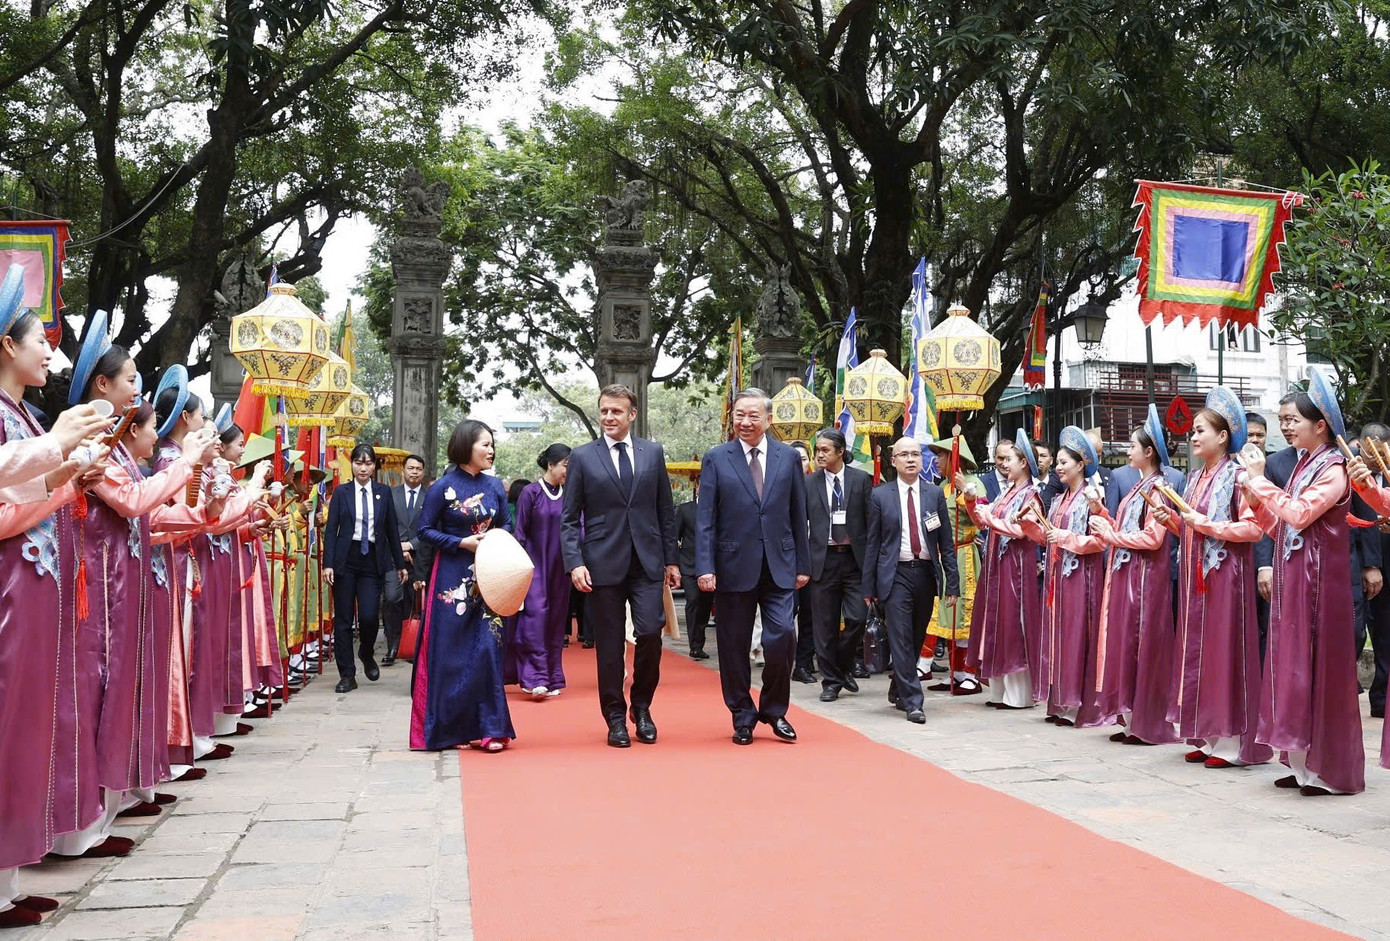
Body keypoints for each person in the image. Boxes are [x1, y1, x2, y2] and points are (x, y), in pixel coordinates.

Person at [0, 270, 115, 925]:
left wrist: (66, 475)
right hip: (12, 592)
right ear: (5, 345)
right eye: (38, 340)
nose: (49, 350)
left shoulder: (19, 414)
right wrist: (59, 456)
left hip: (33, 591)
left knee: (26, 731)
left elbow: (23, 494)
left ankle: (8, 882)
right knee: (10, 729)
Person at [1243, 370, 1364, 795]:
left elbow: (1300, 514)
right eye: (1282, 420)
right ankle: (1300, 763)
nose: (1286, 427)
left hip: (1320, 585)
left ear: (1321, 425)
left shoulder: (1333, 469)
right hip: (1296, 581)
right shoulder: (1303, 466)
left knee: (1317, 666)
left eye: (1293, 419)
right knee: (1292, 666)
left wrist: (1260, 482)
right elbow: (1283, 527)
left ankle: (1327, 770)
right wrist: (1257, 501)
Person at [1150, 388, 1271, 769]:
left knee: (1224, 654)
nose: (1194, 436)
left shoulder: (1238, 477)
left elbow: (1253, 530)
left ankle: (1233, 742)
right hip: (1195, 582)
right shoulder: (1194, 477)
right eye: (1193, 431)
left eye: (1201, 430)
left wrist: (1203, 524)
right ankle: (1208, 734)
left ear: (1222, 436)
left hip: (1226, 579)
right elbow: (1193, 530)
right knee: (1198, 654)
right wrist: (1172, 520)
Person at [561, 385, 679, 748]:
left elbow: (665, 510)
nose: (609, 417)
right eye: (604, 411)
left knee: (650, 633)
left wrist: (672, 559)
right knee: (610, 647)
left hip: (647, 561)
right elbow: (569, 519)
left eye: (616, 411)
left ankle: (641, 707)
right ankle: (614, 718)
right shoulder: (583, 457)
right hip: (602, 562)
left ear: (632, 414)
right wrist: (575, 563)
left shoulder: (652, 452)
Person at [696, 388, 810, 745]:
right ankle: (742, 715)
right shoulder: (717, 458)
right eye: (739, 415)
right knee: (733, 646)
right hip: (732, 566)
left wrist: (803, 564)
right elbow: (705, 518)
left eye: (753, 416)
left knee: (782, 637)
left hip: (780, 565)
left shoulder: (787, 457)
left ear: (769, 419)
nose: (745, 422)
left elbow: (798, 513)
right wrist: (705, 566)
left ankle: (774, 710)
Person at [410, 420, 516, 752]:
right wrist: (460, 542)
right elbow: (424, 530)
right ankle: (451, 729)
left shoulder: (495, 486)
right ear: (466, 446)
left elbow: (507, 523)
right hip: (452, 577)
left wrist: (494, 538)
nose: (491, 450)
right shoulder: (442, 487)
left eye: (492, 444)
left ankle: (490, 728)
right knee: (451, 653)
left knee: (487, 649)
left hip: (489, 576)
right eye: (485, 444)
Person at [1090, 407, 1179, 746]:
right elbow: (1127, 528)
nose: (1128, 451)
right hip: (1129, 574)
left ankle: (1148, 723)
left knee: (1144, 644)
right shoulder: (1139, 486)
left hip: (1146, 578)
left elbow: (1153, 538)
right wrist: (1102, 515)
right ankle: (1131, 719)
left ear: (1149, 452)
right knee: (1127, 643)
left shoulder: (1157, 489)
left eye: (1132, 446)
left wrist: (1110, 535)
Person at [865, 438, 959, 723]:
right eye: (904, 454)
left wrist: (952, 582)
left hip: (925, 573)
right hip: (895, 574)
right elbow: (873, 543)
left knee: (916, 636)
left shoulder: (934, 494)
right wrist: (869, 587)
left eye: (915, 454)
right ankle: (914, 701)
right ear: (893, 461)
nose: (910, 459)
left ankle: (898, 687)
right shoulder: (880, 496)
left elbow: (946, 542)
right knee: (901, 636)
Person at [1020, 426, 1107, 727]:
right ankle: (1059, 703)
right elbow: (1048, 538)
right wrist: (1029, 525)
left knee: (1077, 637)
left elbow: (1101, 541)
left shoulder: (1092, 498)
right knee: (1058, 637)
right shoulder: (1058, 500)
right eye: (1056, 462)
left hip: (1082, 578)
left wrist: (1066, 537)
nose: (1057, 467)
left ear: (1081, 465)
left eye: (1063, 462)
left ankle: (1079, 706)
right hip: (1057, 579)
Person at [962, 430, 1042, 709]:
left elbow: (1022, 531)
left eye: (1010, 460)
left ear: (1024, 463)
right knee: (994, 622)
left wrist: (989, 519)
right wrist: (972, 503)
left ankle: (1019, 695)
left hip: (1015, 567)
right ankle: (999, 690)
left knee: (1013, 624)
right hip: (997, 564)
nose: (1005, 464)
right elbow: (983, 521)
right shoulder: (1008, 491)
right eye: (1004, 459)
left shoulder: (1031, 495)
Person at [323, 444, 409, 693]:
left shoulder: (383, 492)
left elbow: (391, 530)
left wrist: (399, 564)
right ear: (352, 464)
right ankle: (347, 675)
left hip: (372, 559)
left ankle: (366, 652)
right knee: (343, 620)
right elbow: (332, 530)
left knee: (370, 616)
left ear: (374, 466)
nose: (363, 468)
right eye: (358, 463)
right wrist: (328, 563)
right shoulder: (342, 492)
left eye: (368, 463)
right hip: (345, 560)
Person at [806, 428, 871, 702]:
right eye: (817, 450)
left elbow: (870, 521)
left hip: (854, 560)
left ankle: (842, 668)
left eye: (825, 450)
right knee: (824, 627)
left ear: (840, 452)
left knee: (857, 618)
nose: (819, 455)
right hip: (823, 560)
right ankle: (831, 682)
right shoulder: (808, 483)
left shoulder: (861, 480)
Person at [512, 443, 572, 699]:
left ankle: (552, 676)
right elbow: (520, 532)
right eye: (566, 465)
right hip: (534, 565)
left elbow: (578, 528)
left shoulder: (570, 494)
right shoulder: (531, 492)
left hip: (561, 568)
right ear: (551, 465)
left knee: (556, 620)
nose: (569, 471)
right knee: (536, 617)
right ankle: (534, 677)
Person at [926, 434, 982, 695]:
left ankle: (971, 674)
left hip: (964, 555)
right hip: (944, 555)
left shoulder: (973, 484)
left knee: (964, 614)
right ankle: (956, 672)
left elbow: (979, 518)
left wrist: (965, 494)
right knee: (948, 615)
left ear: (954, 458)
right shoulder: (942, 486)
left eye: (941, 455)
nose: (936, 461)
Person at [383, 453, 429, 666]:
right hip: (393, 558)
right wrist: (398, 548)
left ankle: (412, 646)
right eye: (411, 468)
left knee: (415, 601)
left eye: (418, 469)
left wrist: (410, 545)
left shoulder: (430, 497)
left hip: (420, 558)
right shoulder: (390, 495)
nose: (414, 472)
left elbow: (430, 528)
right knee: (392, 598)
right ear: (403, 471)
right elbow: (383, 525)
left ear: (423, 472)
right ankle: (392, 645)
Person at [1358, 420, 1390, 718]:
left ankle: (1381, 699)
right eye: (1372, 453)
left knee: (1385, 634)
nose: (1378, 459)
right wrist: (1370, 564)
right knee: (1359, 634)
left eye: (1383, 453)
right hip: (1362, 568)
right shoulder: (1352, 475)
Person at [675, 477, 712, 659]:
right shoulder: (685, 509)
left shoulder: (715, 509)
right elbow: (674, 536)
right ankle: (694, 645)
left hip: (710, 567)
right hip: (689, 565)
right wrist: (673, 564)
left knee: (705, 606)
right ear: (697, 486)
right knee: (693, 601)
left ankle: (700, 641)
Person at [789, 440, 817, 681]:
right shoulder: (778, 485)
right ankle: (781, 659)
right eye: (795, 459)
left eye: (804, 459)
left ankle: (803, 664)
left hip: (813, 561)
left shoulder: (817, 486)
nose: (800, 464)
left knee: (810, 615)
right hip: (784, 561)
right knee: (785, 616)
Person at [1034, 443, 1064, 510]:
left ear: (1051, 461)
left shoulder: (1060, 484)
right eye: (1035, 456)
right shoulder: (1024, 485)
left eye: (1043, 456)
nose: (1039, 460)